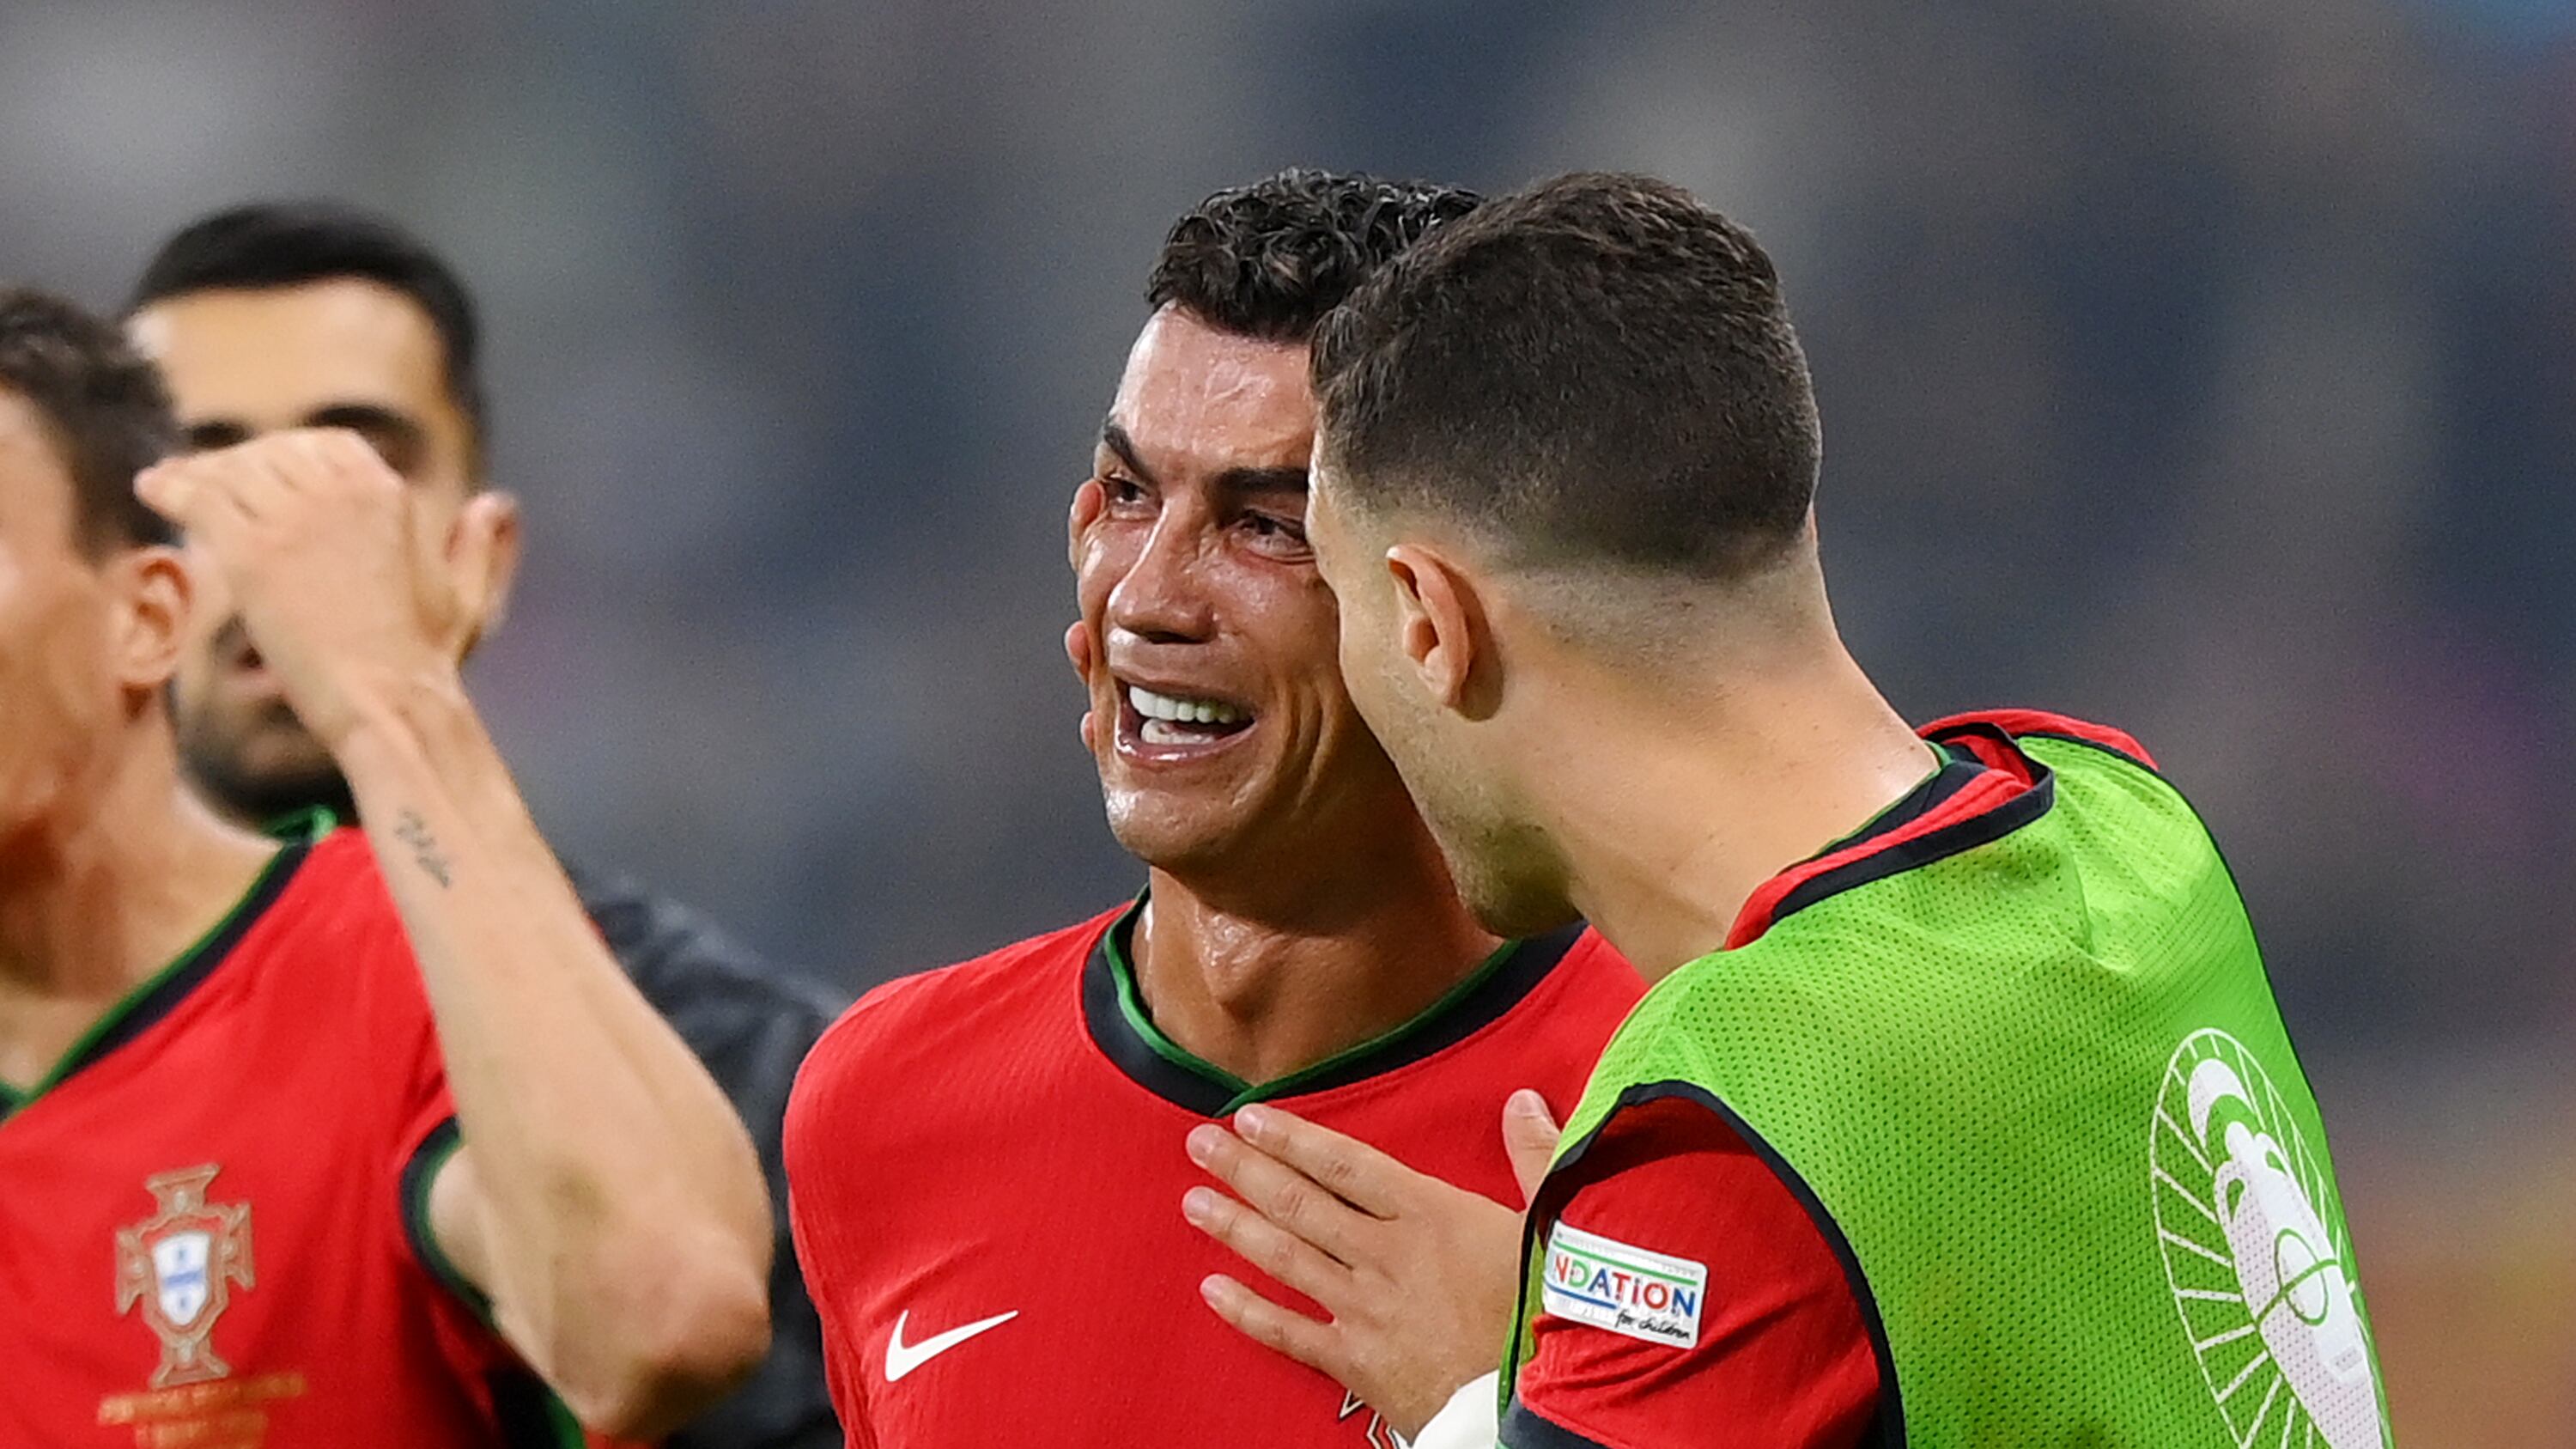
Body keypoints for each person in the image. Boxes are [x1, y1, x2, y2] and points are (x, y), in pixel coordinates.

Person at [1184, 174, 2390, 1448]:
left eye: (1345, 602)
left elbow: (1806, 1181)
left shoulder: (1731, 1123)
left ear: (1432, 624)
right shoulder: (2128, 823)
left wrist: (1486, 1408)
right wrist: (1635, 1349)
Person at [782, 169, 1643, 1448]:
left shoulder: (1683, 1114)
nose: (1147, 597)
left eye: (1263, 527)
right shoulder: (885, 1102)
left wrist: (1514, 1417)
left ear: (1444, 606)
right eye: (1128, 497)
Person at [122, 202, 847, 1449]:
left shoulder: (758, 1081)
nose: (280, 544)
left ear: (484, 563)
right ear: (127, 584)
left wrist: (384, 701)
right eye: (213, 473)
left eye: (353, 474)